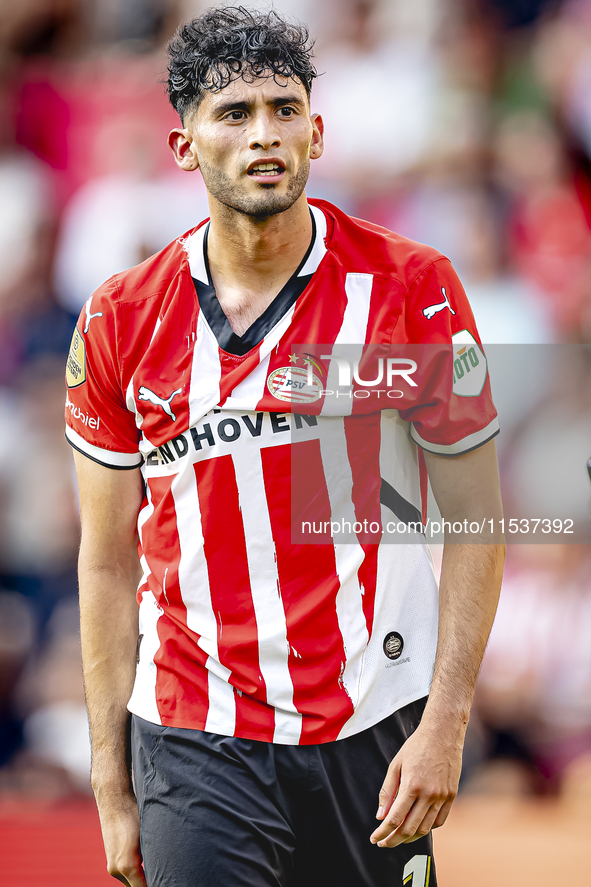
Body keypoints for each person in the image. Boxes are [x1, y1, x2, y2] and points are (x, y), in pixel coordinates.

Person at [65, 7, 505, 887]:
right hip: (195, 730)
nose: (263, 133)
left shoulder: (410, 289)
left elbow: (476, 517)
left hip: (373, 726)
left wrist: (446, 723)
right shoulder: (120, 317)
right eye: (233, 114)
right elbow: (107, 560)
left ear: (316, 130)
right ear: (184, 145)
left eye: (283, 108)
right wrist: (114, 786)